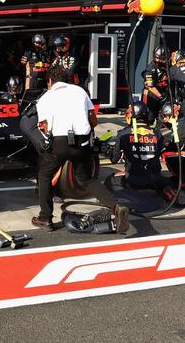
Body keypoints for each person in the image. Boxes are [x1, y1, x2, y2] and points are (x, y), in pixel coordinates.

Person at [33, 66, 129, 233]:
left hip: (59, 143)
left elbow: (43, 127)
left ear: (50, 81)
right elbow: (93, 120)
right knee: (86, 179)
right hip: (82, 142)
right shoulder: (80, 91)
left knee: (44, 174)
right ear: (66, 79)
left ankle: (45, 217)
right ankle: (115, 208)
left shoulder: (45, 98)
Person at [110, 101, 174, 200]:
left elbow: (114, 159)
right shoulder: (157, 133)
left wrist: (113, 150)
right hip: (155, 178)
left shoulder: (123, 133)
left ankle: (134, 194)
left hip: (134, 180)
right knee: (161, 179)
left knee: (111, 179)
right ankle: (164, 190)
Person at [141, 45, 169, 122]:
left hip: (164, 93)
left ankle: (159, 132)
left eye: (161, 58)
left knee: (164, 118)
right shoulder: (150, 69)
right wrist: (161, 97)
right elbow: (150, 86)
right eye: (157, 58)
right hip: (151, 94)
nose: (158, 60)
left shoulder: (169, 66)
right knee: (149, 118)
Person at [22, 33, 50, 100]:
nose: (39, 44)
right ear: (33, 42)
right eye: (37, 43)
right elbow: (22, 64)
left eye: (40, 43)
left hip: (43, 80)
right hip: (32, 80)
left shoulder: (46, 52)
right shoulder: (29, 52)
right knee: (29, 99)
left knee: (43, 98)